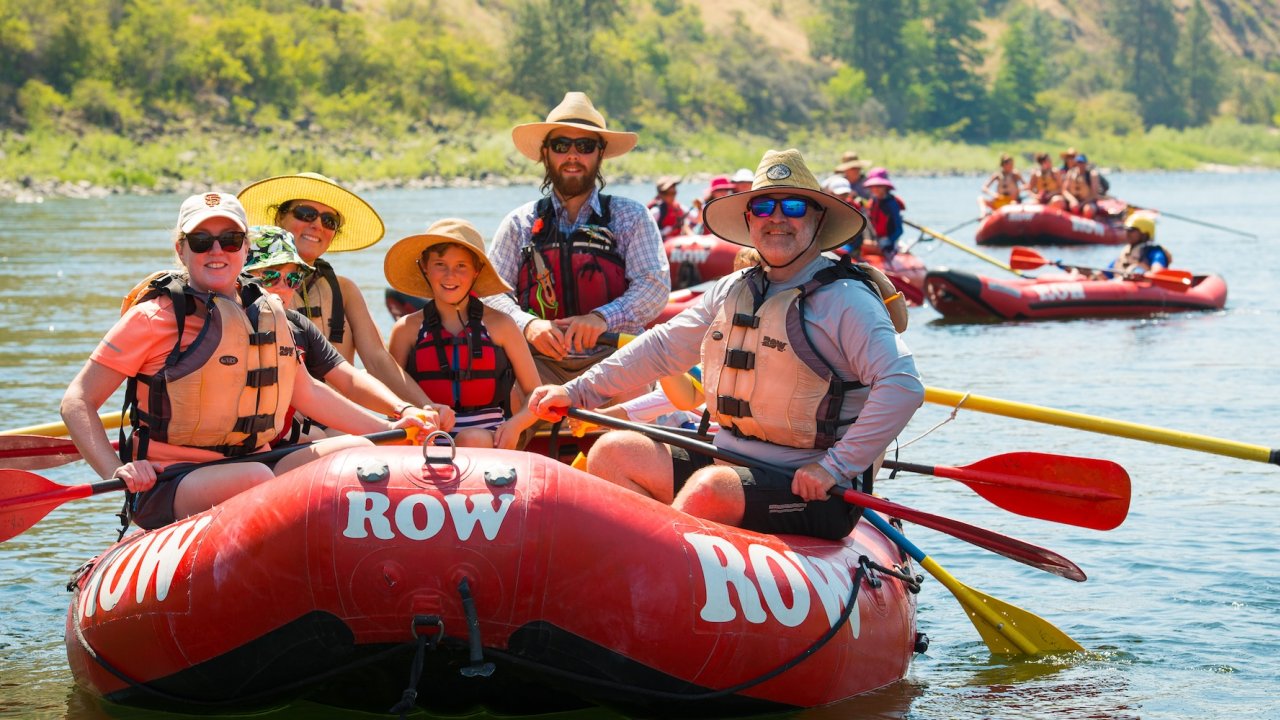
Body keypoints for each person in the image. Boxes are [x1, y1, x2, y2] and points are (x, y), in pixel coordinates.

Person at [527, 148, 924, 540]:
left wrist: (834, 467)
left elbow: (903, 385)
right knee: (614, 451)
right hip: (732, 458)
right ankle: (656, 566)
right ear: (750, 220)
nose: (778, 219)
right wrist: (575, 389)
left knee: (711, 488)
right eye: (764, 208)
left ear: (818, 220)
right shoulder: (732, 289)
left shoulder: (846, 299)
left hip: (816, 486)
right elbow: (662, 347)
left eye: (794, 207)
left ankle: (647, 574)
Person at [60, 193, 426, 531]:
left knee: (355, 453)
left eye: (230, 240)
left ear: (246, 247)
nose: (216, 250)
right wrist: (117, 470)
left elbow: (309, 392)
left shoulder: (269, 311)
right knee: (253, 480)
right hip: (171, 478)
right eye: (202, 241)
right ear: (181, 249)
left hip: (258, 461)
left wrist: (393, 431)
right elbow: (77, 401)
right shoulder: (154, 317)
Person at [486, 91, 669, 390]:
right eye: (561, 146)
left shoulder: (630, 217)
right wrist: (527, 325)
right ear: (546, 153)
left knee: (631, 391)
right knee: (514, 396)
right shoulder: (519, 223)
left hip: (614, 357)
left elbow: (654, 286)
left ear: (599, 153)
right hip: (538, 363)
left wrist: (601, 318)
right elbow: (491, 296)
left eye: (584, 146)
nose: (572, 156)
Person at [242, 225, 453, 443]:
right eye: (270, 277)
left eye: (293, 280)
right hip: (237, 452)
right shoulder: (221, 323)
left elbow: (349, 379)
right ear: (241, 275)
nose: (283, 288)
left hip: (281, 437)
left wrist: (402, 412)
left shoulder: (297, 325)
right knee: (314, 437)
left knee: (351, 443)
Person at [237, 172, 431, 407]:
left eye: (329, 221)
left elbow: (378, 361)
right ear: (279, 217)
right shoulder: (244, 284)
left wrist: (425, 406)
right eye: (306, 213)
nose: (317, 225)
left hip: (336, 421)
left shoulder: (345, 290)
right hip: (276, 425)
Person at [385, 219, 542, 449]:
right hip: (426, 437)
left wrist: (516, 425)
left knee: (471, 439)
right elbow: (392, 398)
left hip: (489, 438)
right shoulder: (406, 329)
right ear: (425, 268)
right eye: (440, 264)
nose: (450, 275)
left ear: (476, 271)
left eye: (461, 266)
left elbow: (536, 395)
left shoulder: (501, 325)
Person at [863, 174, 905, 261]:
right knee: (863, 243)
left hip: (888, 242)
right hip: (876, 239)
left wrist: (888, 243)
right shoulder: (874, 201)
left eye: (878, 186)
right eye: (872, 186)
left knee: (865, 245)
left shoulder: (891, 204)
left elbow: (899, 230)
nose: (875, 189)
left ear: (886, 187)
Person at [1062, 153, 1103, 219]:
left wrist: (1081, 204)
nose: (1080, 164)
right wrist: (1072, 200)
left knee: (1088, 210)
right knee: (1059, 202)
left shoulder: (1092, 175)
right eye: (1078, 162)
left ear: (1086, 163)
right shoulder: (1070, 173)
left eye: (1082, 162)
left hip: (1087, 202)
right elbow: (1064, 190)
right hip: (1074, 201)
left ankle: (1086, 226)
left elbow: (1094, 195)